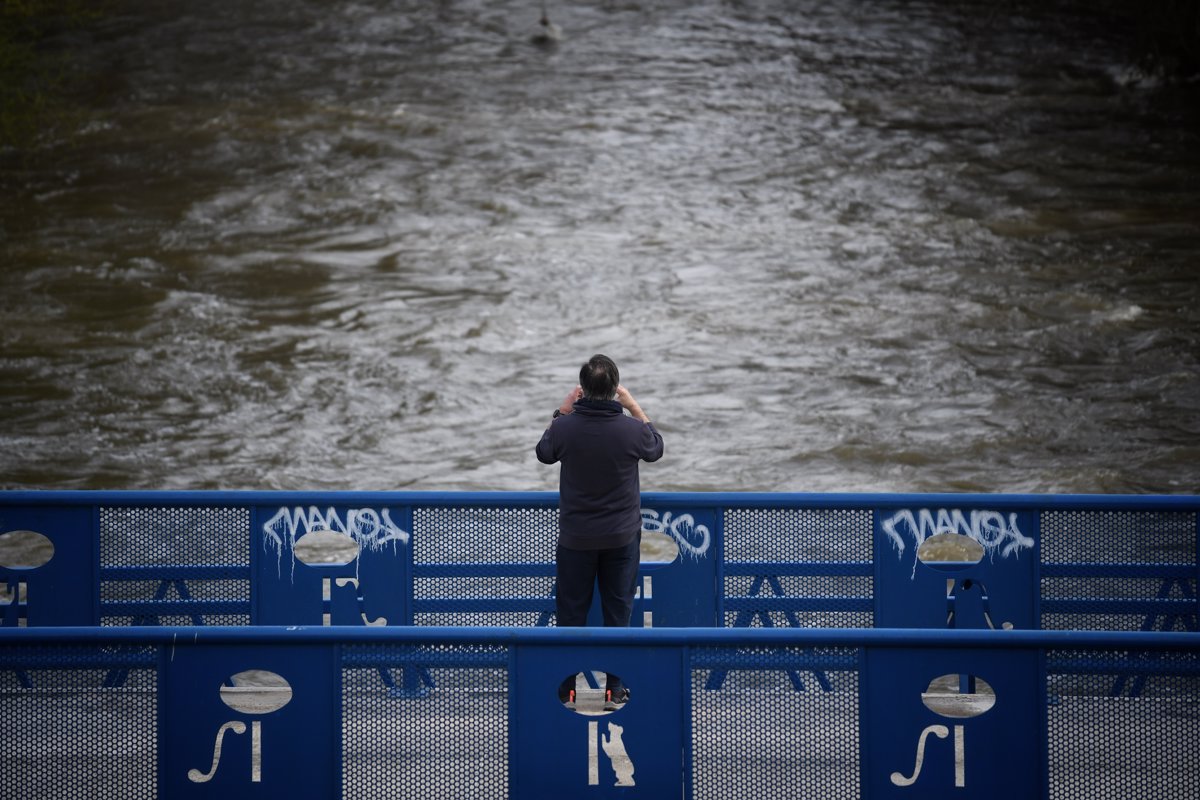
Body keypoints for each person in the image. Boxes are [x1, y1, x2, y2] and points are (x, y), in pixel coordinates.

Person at [536, 354, 664, 709]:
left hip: (576, 537)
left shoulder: (565, 428)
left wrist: (562, 411)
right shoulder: (632, 431)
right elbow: (656, 448)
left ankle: (567, 689)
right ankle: (614, 689)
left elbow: (544, 453)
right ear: (614, 390)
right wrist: (634, 405)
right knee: (617, 612)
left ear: (582, 391)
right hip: (621, 537)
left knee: (571, 613)